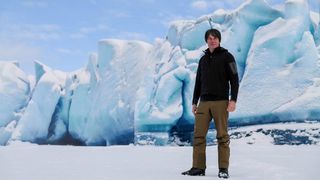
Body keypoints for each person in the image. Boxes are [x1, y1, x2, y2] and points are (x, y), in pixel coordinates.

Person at [181, 29, 239, 179]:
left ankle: (223, 169)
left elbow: (234, 79)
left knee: (222, 136)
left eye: (215, 38)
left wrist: (233, 100)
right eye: (209, 38)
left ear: (219, 40)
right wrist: (195, 101)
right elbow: (198, 82)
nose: (212, 40)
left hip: (221, 102)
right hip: (204, 103)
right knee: (198, 136)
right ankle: (198, 167)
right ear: (206, 40)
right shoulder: (203, 60)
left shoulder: (228, 57)